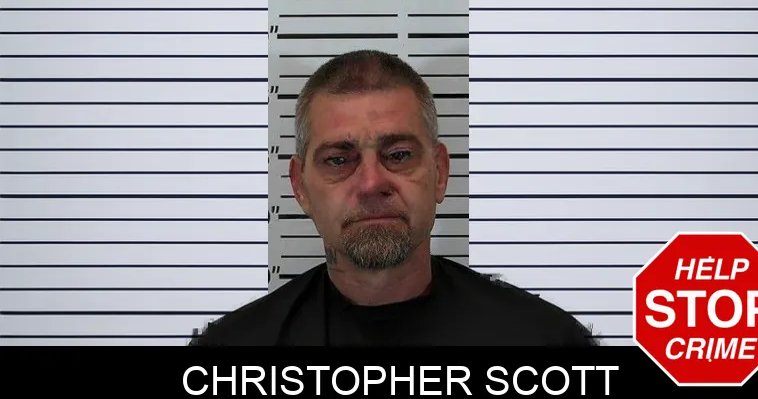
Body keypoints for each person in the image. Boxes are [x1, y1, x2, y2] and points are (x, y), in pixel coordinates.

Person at [189, 50, 597, 346]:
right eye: (338, 160)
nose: (371, 183)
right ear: (300, 187)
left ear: (440, 173)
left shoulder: (546, 344)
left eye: (398, 155)